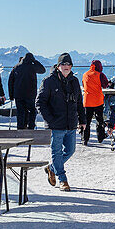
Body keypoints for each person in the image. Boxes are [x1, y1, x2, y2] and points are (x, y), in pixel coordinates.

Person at [37, 53, 85, 191]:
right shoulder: (49, 81)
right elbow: (40, 103)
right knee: (56, 152)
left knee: (70, 150)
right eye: (63, 64)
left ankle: (51, 168)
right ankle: (63, 180)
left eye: (69, 64)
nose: (66, 67)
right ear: (58, 66)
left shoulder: (74, 81)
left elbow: (79, 103)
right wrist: (50, 120)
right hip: (56, 125)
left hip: (71, 124)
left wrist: (82, 120)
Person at [8, 53, 46, 130]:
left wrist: (11, 95)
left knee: (20, 111)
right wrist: (35, 61)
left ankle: (20, 127)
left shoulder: (16, 67)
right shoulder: (32, 66)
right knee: (32, 110)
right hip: (30, 94)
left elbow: (10, 82)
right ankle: (31, 126)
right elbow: (43, 70)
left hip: (18, 94)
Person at [81, 60, 111, 145]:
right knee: (99, 120)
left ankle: (85, 139)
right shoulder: (100, 74)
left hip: (87, 101)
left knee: (87, 121)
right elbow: (105, 85)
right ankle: (100, 137)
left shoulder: (85, 74)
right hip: (98, 101)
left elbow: (83, 85)